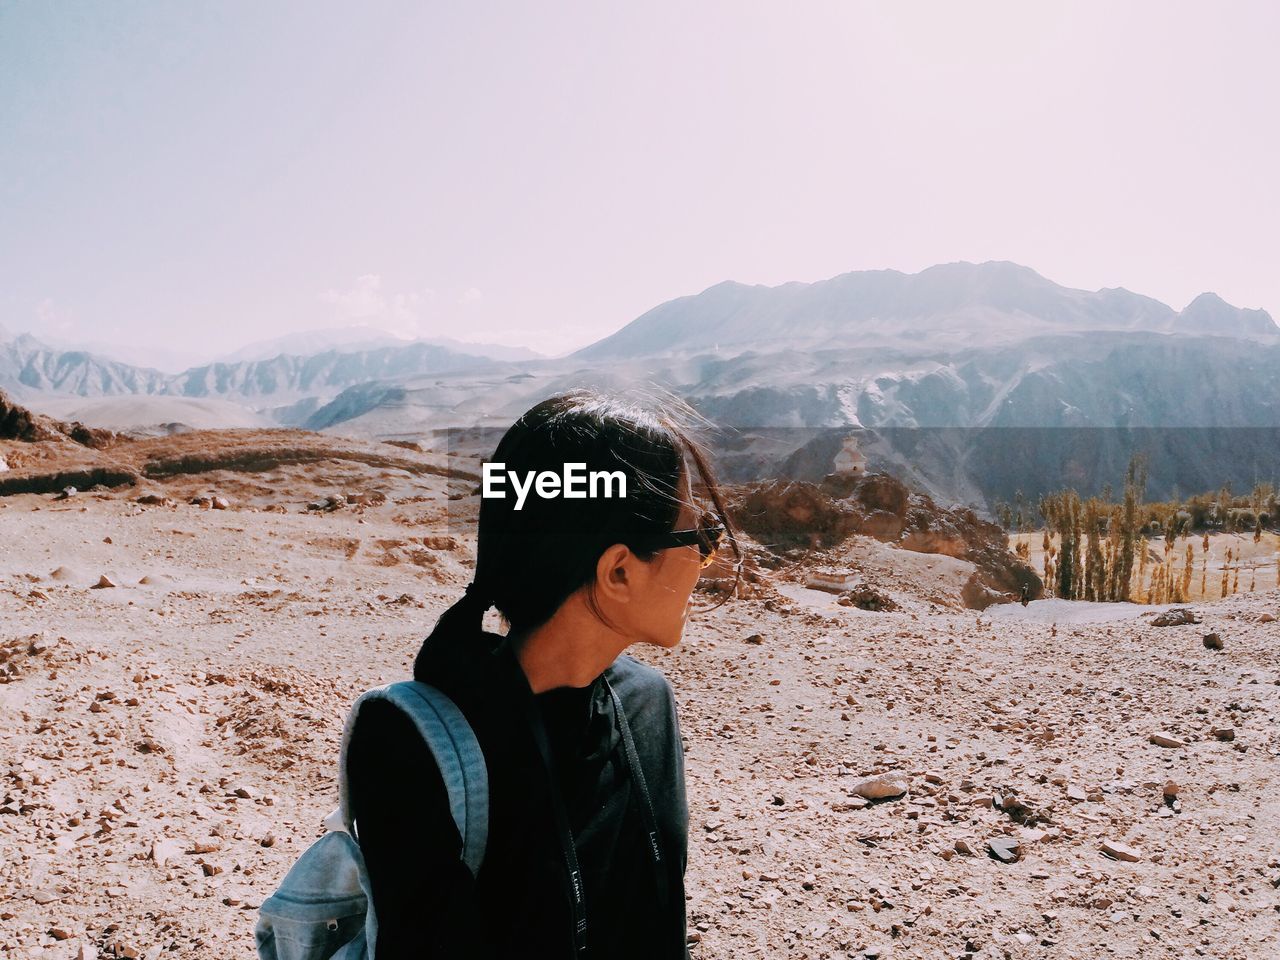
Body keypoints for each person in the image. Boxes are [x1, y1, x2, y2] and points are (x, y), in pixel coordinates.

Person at [346, 391, 738, 959]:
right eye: (699, 541)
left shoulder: (647, 703)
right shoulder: (408, 742)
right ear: (619, 572)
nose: (709, 562)